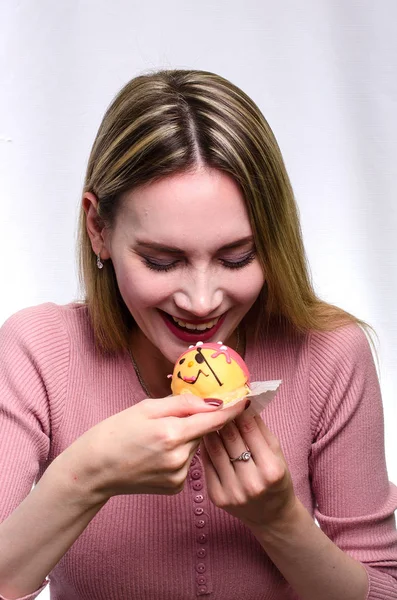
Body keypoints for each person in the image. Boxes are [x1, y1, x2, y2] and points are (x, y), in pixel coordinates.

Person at [0, 69, 396, 600]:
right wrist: (86, 476)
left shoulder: (330, 354)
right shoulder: (36, 352)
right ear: (99, 228)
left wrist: (280, 522)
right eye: (162, 261)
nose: (203, 301)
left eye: (238, 257)